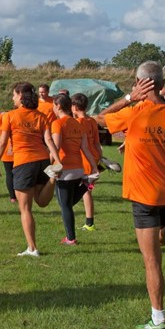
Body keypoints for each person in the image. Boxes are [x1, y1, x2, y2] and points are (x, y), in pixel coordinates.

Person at [94, 61, 165, 329]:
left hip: (144, 194)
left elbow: (98, 118)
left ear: (140, 83)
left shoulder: (135, 112)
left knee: (152, 261)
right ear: (162, 85)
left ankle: (158, 319)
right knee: (161, 238)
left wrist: (129, 98)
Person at [0, 82, 61, 257]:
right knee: (41, 201)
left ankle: (32, 248)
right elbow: (49, 141)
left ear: (20, 96)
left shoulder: (10, 116)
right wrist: (57, 160)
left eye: (14, 95)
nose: (12, 98)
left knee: (25, 209)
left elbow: (2, 142)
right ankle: (52, 178)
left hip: (23, 163)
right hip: (42, 161)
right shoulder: (41, 116)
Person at [52, 94, 98, 245]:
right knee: (67, 203)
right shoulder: (78, 124)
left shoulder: (58, 124)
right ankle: (86, 184)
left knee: (64, 205)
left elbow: (56, 148)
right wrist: (94, 167)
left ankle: (70, 238)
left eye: (53, 104)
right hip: (78, 169)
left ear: (58, 106)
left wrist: (50, 166)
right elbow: (85, 149)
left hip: (65, 170)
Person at [71, 93, 103, 231]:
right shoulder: (92, 121)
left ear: (75, 107)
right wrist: (100, 158)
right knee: (86, 191)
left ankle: (89, 223)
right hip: (93, 159)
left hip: (85, 161)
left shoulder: (78, 123)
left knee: (86, 192)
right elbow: (96, 143)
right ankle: (89, 222)